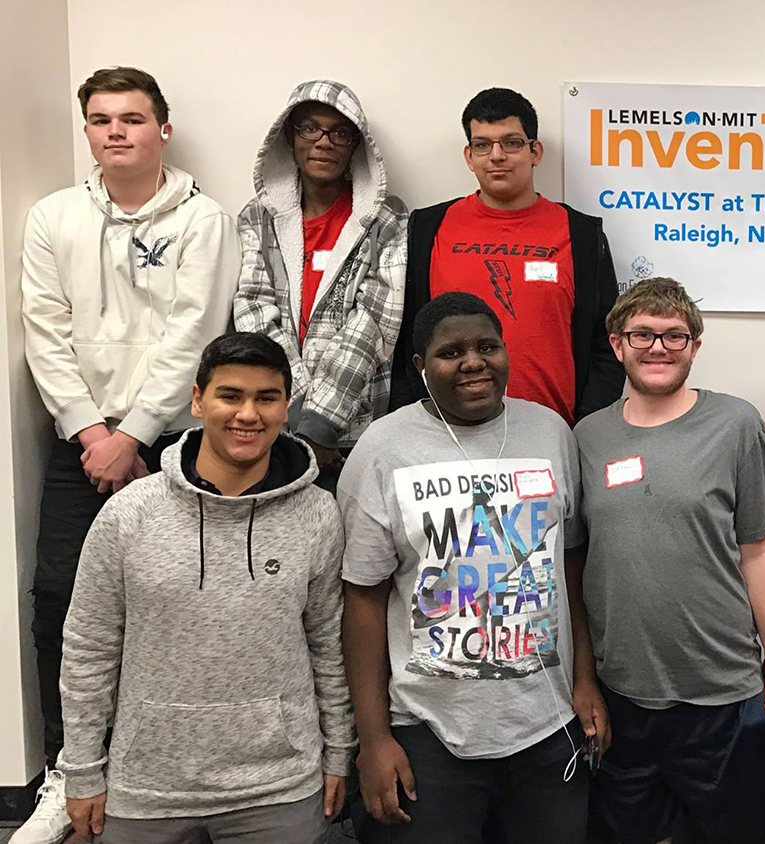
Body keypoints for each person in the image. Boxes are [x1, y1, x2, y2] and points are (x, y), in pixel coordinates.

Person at [17, 65, 237, 844]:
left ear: (163, 130)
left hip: (173, 443)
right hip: (83, 442)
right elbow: (43, 332)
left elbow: (194, 335)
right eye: (102, 119)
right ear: (87, 131)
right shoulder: (51, 218)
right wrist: (93, 436)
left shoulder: (205, 219)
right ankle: (65, 776)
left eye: (133, 118)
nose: (117, 131)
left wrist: (136, 436)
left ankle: (161, 771)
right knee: (59, 603)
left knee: (174, 609)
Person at [56, 332, 352, 844]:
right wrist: (82, 769)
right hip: (146, 791)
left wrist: (340, 752)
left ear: (286, 408)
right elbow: (89, 649)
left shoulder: (317, 514)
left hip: (279, 788)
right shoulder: (130, 512)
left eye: (266, 398)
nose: (248, 414)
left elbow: (329, 645)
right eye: (230, 396)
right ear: (198, 400)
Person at [340, 292, 588, 844]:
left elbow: (572, 568)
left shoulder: (550, 432)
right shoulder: (383, 449)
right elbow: (363, 600)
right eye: (451, 352)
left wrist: (586, 682)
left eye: (487, 347)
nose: (473, 362)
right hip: (428, 732)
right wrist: (374, 738)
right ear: (419, 368)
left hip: (547, 722)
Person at [570, 277, 765, 844]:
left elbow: (759, 552)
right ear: (617, 344)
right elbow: (575, 563)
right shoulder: (586, 437)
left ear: (695, 345)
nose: (658, 348)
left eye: (674, 336)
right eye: (642, 334)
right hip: (624, 690)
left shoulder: (736, 424)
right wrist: (583, 676)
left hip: (721, 689)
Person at [389, 87, 622, 425]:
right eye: (483, 144)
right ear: (469, 156)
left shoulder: (581, 233)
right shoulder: (428, 227)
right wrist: (417, 422)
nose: (496, 155)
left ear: (535, 151)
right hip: (446, 434)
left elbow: (607, 341)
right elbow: (406, 334)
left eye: (511, 143)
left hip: (554, 430)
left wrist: (586, 427)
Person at [234, 79, 409, 493]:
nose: (324, 142)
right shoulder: (259, 218)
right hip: (274, 421)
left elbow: (377, 318)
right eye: (310, 128)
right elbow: (254, 310)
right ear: (288, 137)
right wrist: (295, 410)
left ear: (356, 145)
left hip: (357, 426)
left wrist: (322, 422)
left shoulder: (387, 218)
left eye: (339, 133)